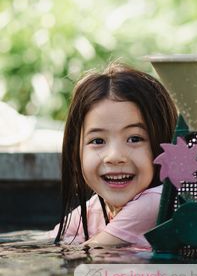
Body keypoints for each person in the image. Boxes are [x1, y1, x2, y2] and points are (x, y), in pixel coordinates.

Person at [50, 62, 178, 248]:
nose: (115, 156)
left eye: (134, 139)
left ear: (164, 144)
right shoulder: (95, 208)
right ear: (75, 155)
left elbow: (90, 251)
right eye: (98, 141)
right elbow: (48, 242)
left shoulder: (157, 202)